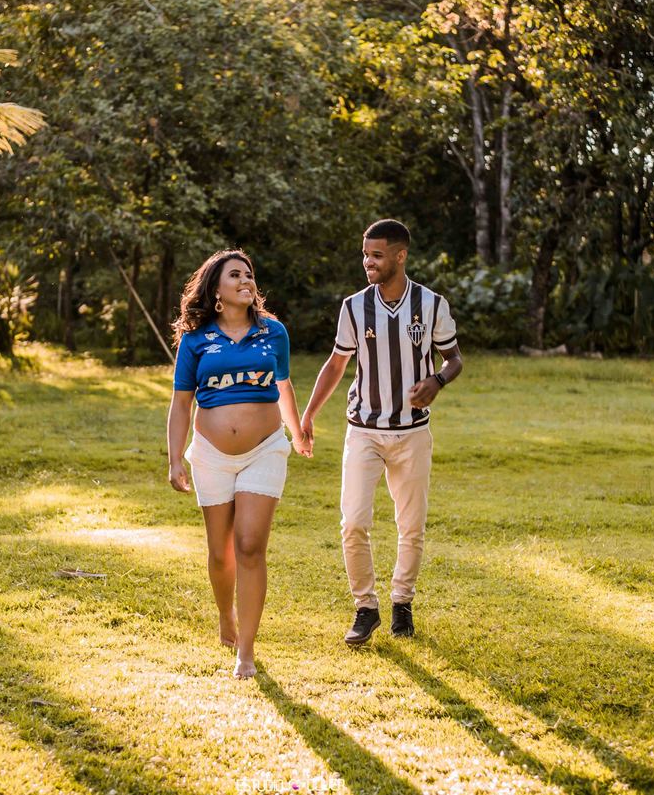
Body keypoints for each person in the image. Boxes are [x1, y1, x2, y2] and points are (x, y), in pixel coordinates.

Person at [301, 219, 462, 646]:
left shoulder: (431, 304)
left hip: (412, 432)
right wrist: (309, 414)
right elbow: (337, 364)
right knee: (353, 521)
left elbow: (454, 359)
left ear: (400, 256)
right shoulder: (354, 307)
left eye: (376, 255)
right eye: (365, 255)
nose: (368, 262)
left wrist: (437, 381)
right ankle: (365, 608)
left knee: (411, 525)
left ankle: (402, 603)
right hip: (364, 430)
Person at [166, 249, 312, 679]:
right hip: (210, 454)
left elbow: (283, 385)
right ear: (216, 289)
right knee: (220, 553)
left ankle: (245, 651)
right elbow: (181, 403)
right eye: (235, 275)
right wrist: (175, 459)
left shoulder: (273, 332)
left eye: (249, 274)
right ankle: (225, 614)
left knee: (249, 545)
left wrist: (297, 432)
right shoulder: (196, 340)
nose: (245, 280)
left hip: (264, 449)